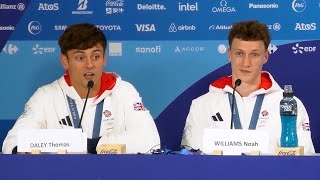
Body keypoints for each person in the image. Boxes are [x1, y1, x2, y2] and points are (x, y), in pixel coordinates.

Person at [2, 23, 160, 154]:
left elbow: (150, 141)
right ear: (65, 61)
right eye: (80, 57)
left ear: (104, 59)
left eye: (95, 56)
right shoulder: (46, 96)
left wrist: (89, 145)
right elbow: (13, 142)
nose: (89, 64)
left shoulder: (124, 91)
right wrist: (20, 151)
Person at [181, 20, 315, 153]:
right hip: (216, 175)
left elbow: (301, 160)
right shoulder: (202, 105)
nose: (246, 63)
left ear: (265, 56)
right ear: (229, 54)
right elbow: (190, 161)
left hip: (271, 175)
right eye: (239, 53)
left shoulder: (289, 105)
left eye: (254, 54)